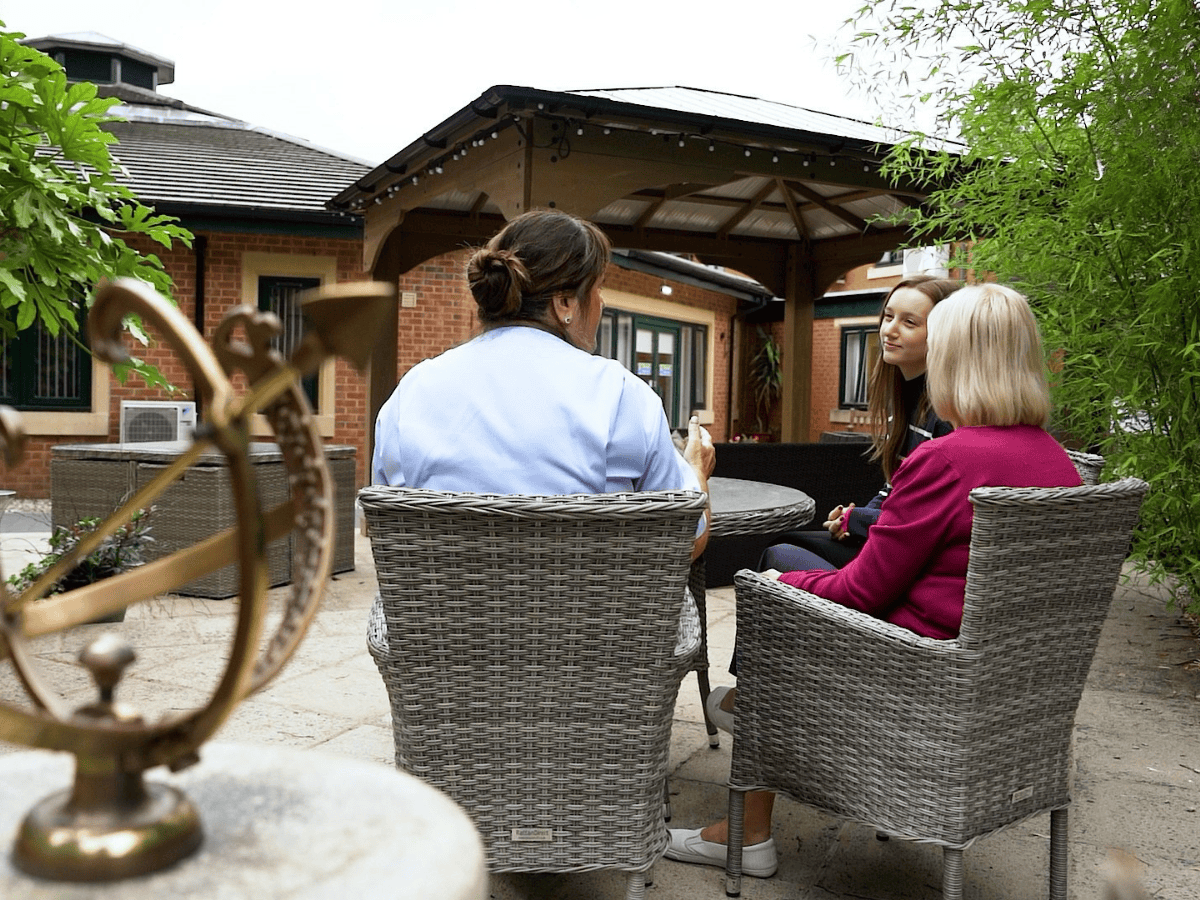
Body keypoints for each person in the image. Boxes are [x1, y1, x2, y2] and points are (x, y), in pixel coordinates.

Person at [665, 283, 1083, 878]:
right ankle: (749, 732)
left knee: (770, 591)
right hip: (1004, 692)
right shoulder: (1057, 462)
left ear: (954, 358)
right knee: (784, 597)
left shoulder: (947, 459)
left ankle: (747, 827)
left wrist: (781, 586)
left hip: (913, 678)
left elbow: (864, 595)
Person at [372, 208, 715, 557]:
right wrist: (696, 468)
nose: (602, 302)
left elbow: (384, 531)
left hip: (438, 609)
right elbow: (687, 538)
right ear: (565, 303)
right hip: (592, 610)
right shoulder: (620, 394)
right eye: (597, 288)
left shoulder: (412, 391)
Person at [762, 275, 959, 572]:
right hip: (890, 543)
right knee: (789, 543)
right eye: (889, 317)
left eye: (910, 323)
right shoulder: (907, 400)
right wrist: (857, 516)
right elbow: (891, 492)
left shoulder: (945, 415)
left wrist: (856, 521)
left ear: (943, 335)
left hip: (911, 563)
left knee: (781, 555)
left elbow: (921, 520)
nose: (889, 330)